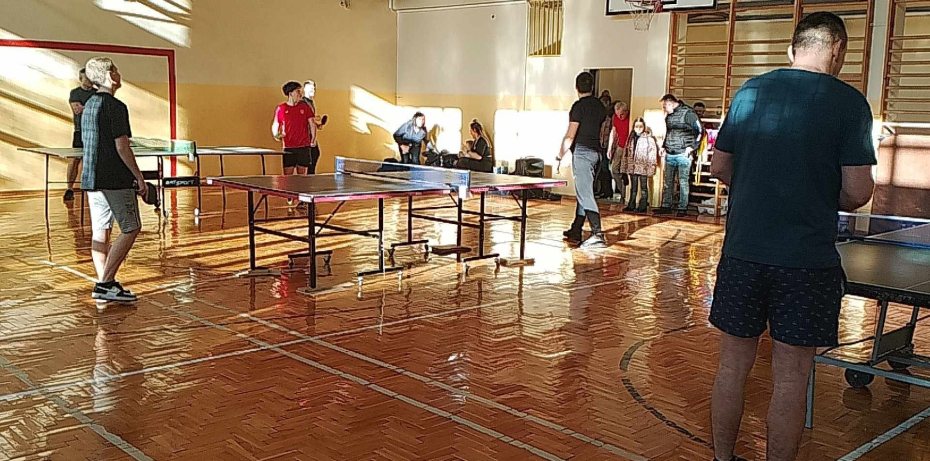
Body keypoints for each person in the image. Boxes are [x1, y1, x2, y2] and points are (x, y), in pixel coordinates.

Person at [708, 12, 876, 461]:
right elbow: (858, 192)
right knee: (790, 378)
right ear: (838, 50)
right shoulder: (849, 104)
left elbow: (720, 166)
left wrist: (760, 186)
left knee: (731, 367)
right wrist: (814, 191)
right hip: (806, 263)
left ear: (792, 49)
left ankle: (722, 458)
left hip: (743, 253)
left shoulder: (750, 91)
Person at [80, 57, 148, 303]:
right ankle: (105, 282)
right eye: (116, 70)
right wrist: (138, 176)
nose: (119, 73)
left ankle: (105, 284)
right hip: (114, 179)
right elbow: (122, 146)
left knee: (101, 231)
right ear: (110, 76)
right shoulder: (116, 107)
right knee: (131, 228)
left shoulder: (88, 105)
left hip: (92, 178)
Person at [557, 72, 608, 249]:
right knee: (583, 191)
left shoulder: (578, 107)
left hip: (583, 153)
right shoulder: (600, 106)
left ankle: (597, 234)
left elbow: (570, 135)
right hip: (597, 153)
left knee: (585, 194)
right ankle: (576, 228)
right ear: (592, 87)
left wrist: (560, 154)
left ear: (576, 87)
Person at [656, 94, 702, 217]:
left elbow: (699, 131)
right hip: (670, 152)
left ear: (670, 103)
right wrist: (663, 146)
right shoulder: (669, 116)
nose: (664, 109)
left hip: (683, 154)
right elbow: (669, 132)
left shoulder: (688, 113)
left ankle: (682, 207)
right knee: (668, 182)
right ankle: (666, 205)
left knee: (683, 182)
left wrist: (692, 147)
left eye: (665, 106)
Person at [64, 68, 97, 201]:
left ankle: (92, 187)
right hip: (79, 131)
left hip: (94, 131)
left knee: (93, 160)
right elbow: (77, 109)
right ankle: (69, 188)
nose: (89, 81)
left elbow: (100, 110)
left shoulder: (97, 93)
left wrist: (85, 107)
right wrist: (92, 107)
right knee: (74, 160)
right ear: (81, 79)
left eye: (91, 78)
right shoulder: (75, 93)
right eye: (86, 78)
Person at [272, 81, 317, 176]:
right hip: (288, 147)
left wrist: (313, 138)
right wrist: (276, 134)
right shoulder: (281, 108)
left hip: (303, 146)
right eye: (298, 91)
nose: (300, 94)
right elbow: (276, 124)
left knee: (302, 177)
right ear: (290, 93)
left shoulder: (305, 107)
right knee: (288, 176)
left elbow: (312, 123)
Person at [621, 118, 659, 213]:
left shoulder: (649, 139)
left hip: (643, 167)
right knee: (633, 187)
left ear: (644, 127)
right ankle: (631, 204)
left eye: (640, 126)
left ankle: (643, 206)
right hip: (632, 167)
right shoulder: (630, 138)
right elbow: (626, 153)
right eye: (636, 126)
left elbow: (652, 154)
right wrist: (625, 166)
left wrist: (651, 167)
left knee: (643, 187)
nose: (638, 128)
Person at [607, 101, 632, 203]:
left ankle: (625, 195)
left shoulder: (630, 116)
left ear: (626, 111)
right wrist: (609, 148)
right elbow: (613, 132)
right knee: (614, 169)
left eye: (621, 114)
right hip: (620, 146)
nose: (620, 117)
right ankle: (622, 191)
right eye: (617, 114)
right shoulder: (615, 118)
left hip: (629, 148)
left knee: (625, 170)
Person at [301, 79, 326, 173]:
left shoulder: (311, 102)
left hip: (310, 133)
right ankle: (309, 176)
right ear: (304, 89)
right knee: (313, 155)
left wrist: (317, 124)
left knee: (314, 154)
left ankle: (310, 175)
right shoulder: (303, 103)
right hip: (305, 135)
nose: (313, 90)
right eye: (310, 88)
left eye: (314, 88)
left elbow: (310, 119)